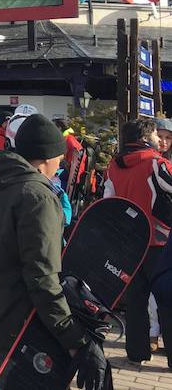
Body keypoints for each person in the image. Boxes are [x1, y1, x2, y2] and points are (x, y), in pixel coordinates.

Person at [0, 114, 104, 387]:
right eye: (59, 159)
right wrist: (77, 340)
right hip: (30, 326)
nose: (60, 165)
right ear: (46, 158)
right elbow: (42, 277)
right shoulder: (38, 197)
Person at [103, 117, 172, 366]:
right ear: (145, 137)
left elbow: (108, 202)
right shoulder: (156, 163)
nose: (159, 140)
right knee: (167, 300)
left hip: (130, 244)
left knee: (135, 300)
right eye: (155, 135)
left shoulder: (113, 166)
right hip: (159, 241)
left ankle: (136, 352)